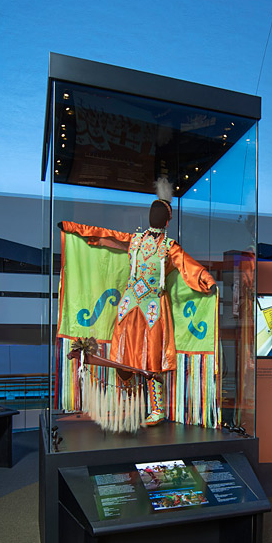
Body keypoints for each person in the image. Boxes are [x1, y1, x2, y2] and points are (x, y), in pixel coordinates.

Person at [61, 178, 217, 426]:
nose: (155, 219)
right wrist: (75, 228)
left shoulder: (168, 246)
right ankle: (130, 404)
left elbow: (188, 266)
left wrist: (205, 280)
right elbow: (106, 236)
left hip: (151, 308)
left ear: (163, 220)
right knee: (123, 357)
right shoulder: (137, 240)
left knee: (151, 358)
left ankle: (156, 409)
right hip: (131, 306)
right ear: (167, 220)